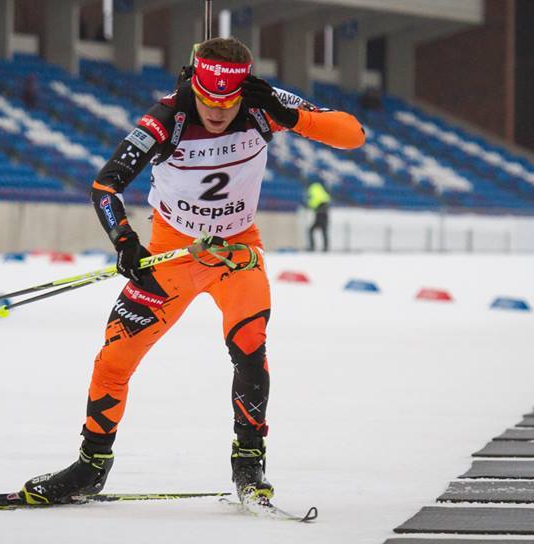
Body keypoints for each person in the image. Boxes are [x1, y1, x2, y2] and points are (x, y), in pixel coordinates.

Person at [20, 37, 365, 507]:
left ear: (244, 90)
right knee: (114, 360)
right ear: (193, 86)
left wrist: (294, 117)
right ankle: (90, 466)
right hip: (171, 257)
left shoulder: (266, 106)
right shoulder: (167, 118)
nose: (218, 111)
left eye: (228, 100)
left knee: (249, 347)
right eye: (208, 98)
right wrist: (124, 240)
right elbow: (104, 187)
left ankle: (248, 465)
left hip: (235, 253)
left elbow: (352, 134)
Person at [306, 181, 331, 252]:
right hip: (322, 216)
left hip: (321, 216)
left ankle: (317, 247)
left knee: (318, 231)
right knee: (322, 231)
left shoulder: (318, 197)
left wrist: (309, 205)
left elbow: (312, 203)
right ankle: (324, 247)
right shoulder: (324, 196)